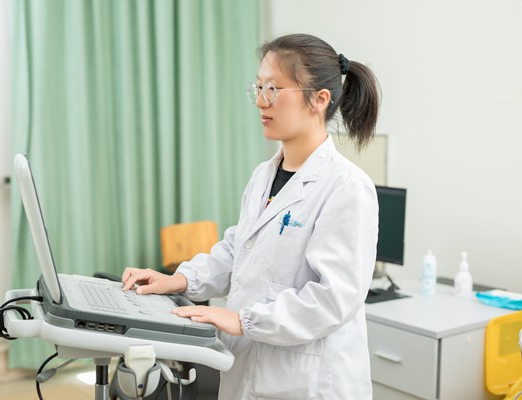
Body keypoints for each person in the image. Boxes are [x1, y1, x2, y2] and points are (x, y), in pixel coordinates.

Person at [122, 33, 380, 399]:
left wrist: (243, 320)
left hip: (311, 384)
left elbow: (333, 299)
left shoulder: (346, 187)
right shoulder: (264, 175)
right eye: (258, 88)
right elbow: (238, 250)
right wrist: (178, 279)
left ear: (319, 99)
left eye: (274, 89)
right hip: (249, 369)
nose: (261, 101)